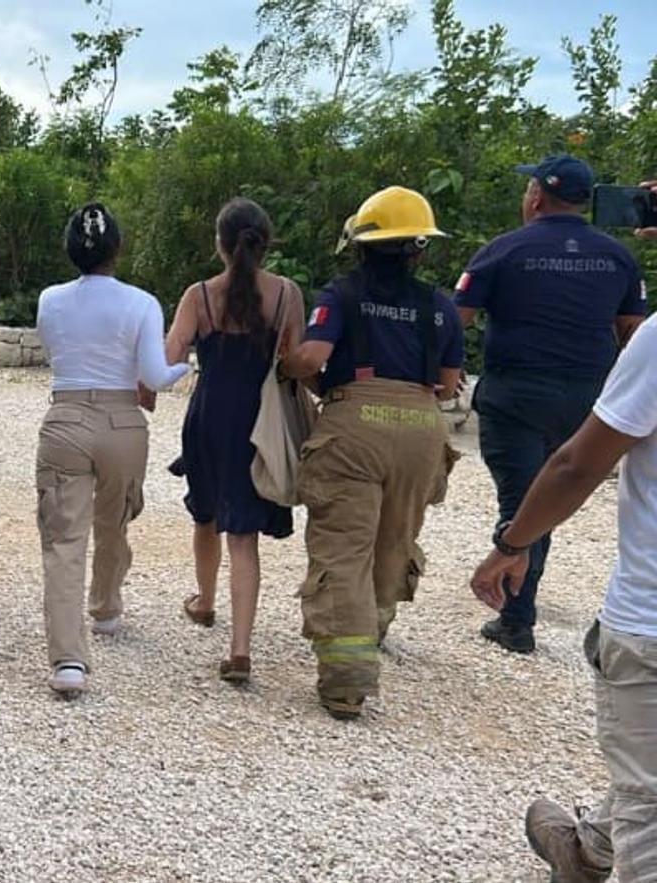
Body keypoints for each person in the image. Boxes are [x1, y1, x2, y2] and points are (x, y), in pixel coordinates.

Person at [469, 307, 657, 882]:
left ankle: (595, 847)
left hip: (649, 620)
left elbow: (577, 464)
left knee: (649, 810)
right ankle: (589, 848)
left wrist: (512, 542)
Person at [281, 186, 463, 721]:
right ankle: (374, 627)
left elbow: (311, 357)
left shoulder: (341, 295)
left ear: (359, 245)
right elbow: (448, 382)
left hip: (354, 430)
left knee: (343, 546)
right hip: (420, 431)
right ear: (419, 249)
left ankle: (346, 679)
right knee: (394, 540)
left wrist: (294, 369)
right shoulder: (439, 306)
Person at [456, 154, 647, 654]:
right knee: (550, 491)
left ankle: (516, 619)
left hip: (515, 396)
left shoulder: (502, 250)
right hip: (587, 400)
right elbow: (633, 333)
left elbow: (455, 321)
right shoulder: (619, 257)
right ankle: (519, 600)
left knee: (520, 499)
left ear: (537, 196)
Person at [36, 202, 190, 695]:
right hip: (124, 423)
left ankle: (68, 660)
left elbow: (53, 353)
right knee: (114, 519)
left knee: (64, 538)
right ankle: (105, 607)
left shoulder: (49, 299)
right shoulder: (142, 302)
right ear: (118, 248)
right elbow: (155, 377)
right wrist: (185, 365)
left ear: (69, 249)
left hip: (66, 418)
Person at [165, 198, 302, 683]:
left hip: (208, 416)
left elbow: (170, 356)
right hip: (258, 419)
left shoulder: (199, 296)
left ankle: (204, 602)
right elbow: (294, 361)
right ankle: (240, 650)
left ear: (219, 244)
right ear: (265, 244)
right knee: (243, 537)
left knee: (205, 514)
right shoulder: (287, 295)